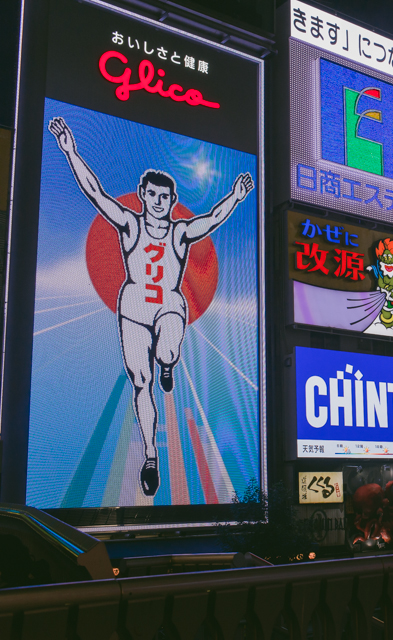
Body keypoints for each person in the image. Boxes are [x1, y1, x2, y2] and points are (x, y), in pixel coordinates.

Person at [48, 117, 254, 497]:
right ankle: (149, 455)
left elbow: (210, 220)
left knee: (169, 349)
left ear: (172, 201)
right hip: (134, 307)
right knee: (140, 383)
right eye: (153, 195)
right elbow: (96, 194)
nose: (159, 202)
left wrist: (236, 197)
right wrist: (70, 150)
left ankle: (169, 363)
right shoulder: (129, 223)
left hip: (170, 305)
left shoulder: (179, 231)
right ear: (143, 194)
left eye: (165, 197)